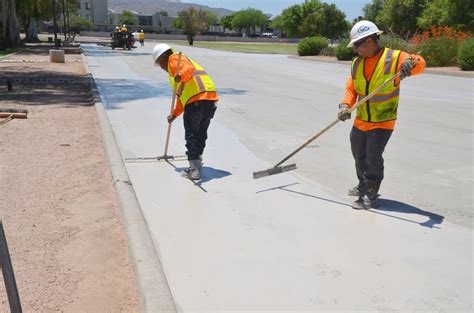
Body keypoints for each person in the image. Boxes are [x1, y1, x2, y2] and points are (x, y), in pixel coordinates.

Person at [337, 20, 426, 210]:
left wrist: (410, 66)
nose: (355, 50)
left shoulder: (394, 57)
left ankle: (370, 194)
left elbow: (420, 63)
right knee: (359, 155)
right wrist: (345, 106)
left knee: (373, 157)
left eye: (357, 45)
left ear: (369, 41)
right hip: (361, 121)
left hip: (383, 121)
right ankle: (363, 184)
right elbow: (352, 89)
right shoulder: (357, 63)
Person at [152, 43, 218, 180]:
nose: (161, 67)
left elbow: (187, 69)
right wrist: (174, 115)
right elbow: (182, 98)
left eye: (159, 64)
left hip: (196, 101)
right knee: (201, 133)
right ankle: (197, 161)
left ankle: (193, 169)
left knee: (192, 134)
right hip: (209, 99)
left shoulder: (173, 59)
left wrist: (180, 76)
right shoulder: (176, 70)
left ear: (162, 58)